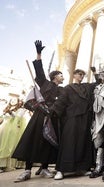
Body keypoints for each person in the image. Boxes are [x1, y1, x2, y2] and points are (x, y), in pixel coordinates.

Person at [12, 40, 64, 182]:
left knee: (48, 142)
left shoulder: (62, 90)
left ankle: (45, 167)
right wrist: (39, 53)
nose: (62, 76)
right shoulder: (44, 82)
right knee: (33, 139)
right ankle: (27, 170)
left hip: (52, 117)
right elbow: (39, 70)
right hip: (40, 115)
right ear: (54, 76)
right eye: (60, 74)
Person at [50, 69, 97, 180]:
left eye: (83, 74)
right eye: (79, 74)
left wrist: (95, 73)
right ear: (74, 75)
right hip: (72, 119)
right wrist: (50, 112)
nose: (81, 76)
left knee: (83, 143)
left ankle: (82, 168)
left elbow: (97, 83)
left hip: (85, 119)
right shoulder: (68, 88)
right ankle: (61, 170)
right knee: (68, 143)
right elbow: (60, 102)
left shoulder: (86, 86)